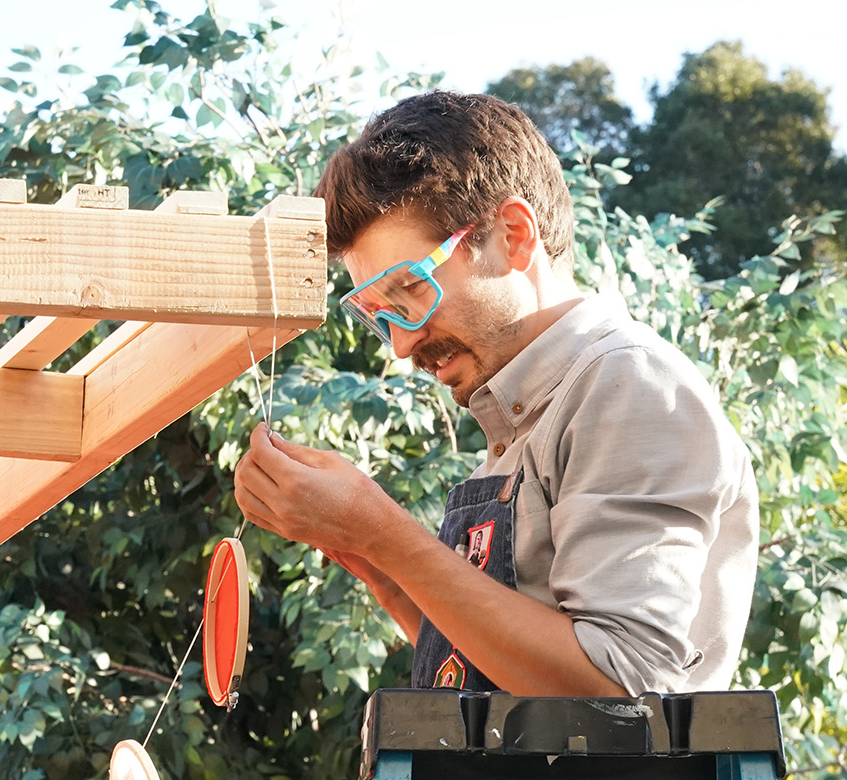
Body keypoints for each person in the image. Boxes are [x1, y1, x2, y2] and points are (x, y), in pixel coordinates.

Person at [232, 91, 758, 697]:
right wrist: (375, 564)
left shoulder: (628, 383)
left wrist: (383, 532)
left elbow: (620, 688)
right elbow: (501, 673)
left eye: (409, 290)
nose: (401, 347)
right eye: (380, 315)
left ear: (513, 235)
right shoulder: (523, 412)